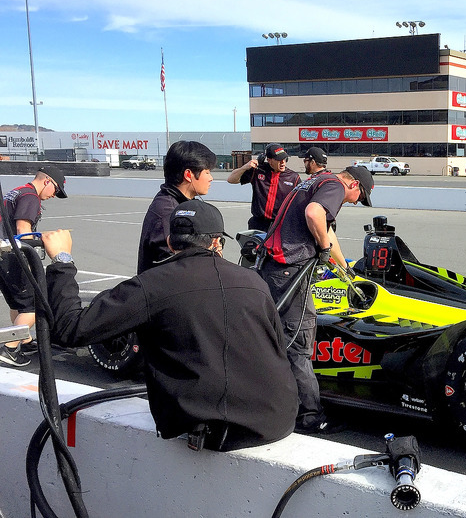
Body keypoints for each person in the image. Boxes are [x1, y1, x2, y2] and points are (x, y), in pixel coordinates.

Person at [42, 200, 298, 451]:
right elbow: (277, 346)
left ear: (169, 243)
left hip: (220, 432)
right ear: (216, 242)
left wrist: (62, 261)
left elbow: (70, 329)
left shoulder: (151, 285)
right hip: (278, 419)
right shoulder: (254, 281)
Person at [258, 165, 374, 434]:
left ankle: (277, 401)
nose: (357, 203)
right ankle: (309, 415)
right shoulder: (334, 186)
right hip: (288, 269)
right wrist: (322, 248)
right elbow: (314, 214)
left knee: (280, 335)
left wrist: (343, 268)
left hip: (276, 267)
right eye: (360, 197)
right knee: (298, 341)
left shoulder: (318, 180)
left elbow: (327, 232)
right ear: (354, 185)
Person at [0, 166, 68, 367]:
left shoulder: (18, 191)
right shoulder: (31, 197)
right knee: (34, 304)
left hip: (2, 254)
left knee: (17, 303)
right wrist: (34, 253)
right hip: (13, 256)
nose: (54, 196)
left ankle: (25, 339)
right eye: (55, 190)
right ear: (47, 181)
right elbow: (22, 229)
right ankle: (10, 348)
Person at [137, 140, 216, 274]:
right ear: (188, 175)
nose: (211, 178)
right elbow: (177, 268)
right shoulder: (168, 213)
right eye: (207, 172)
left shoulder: (179, 203)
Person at [226, 144, 301, 232]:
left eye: (284, 159)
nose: (283, 162)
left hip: (281, 225)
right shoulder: (258, 170)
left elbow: (299, 203)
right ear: (269, 160)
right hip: (258, 224)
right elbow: (231, 180)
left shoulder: (293, 177)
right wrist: (244, 167)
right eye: (279, 160)